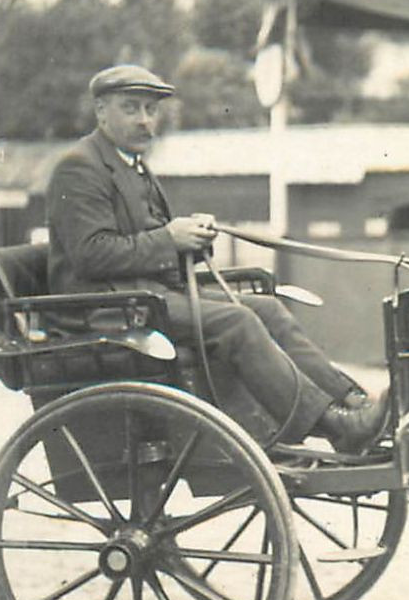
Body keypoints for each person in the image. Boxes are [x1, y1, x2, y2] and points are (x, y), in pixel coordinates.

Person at [46, 64, 388, 454]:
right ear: (101, 111)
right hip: (106, 309)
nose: (144, 120)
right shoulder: (79, 167)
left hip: (146, 296)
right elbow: (90, 255)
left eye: (150, 109)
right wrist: (169, 237)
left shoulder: (132, 164)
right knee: (237, 321)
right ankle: (334, 426)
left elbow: (145, 239)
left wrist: (190, 236)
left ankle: (352, 402)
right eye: (131, 108)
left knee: (268, 309)